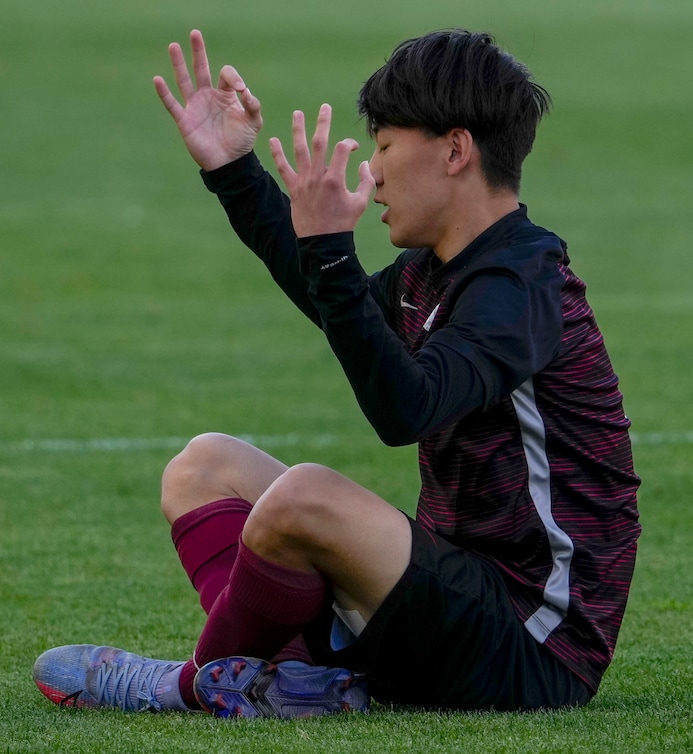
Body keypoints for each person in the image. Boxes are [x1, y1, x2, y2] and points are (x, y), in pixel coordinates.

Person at [33, 28, 641, 718]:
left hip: (532, 646)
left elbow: (406, 410)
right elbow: (334, 301)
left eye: (384, 145)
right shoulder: (436, 272)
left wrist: (331, 252)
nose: (374, 172)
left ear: (454, 149)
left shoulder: (521, 285)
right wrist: (234, 169)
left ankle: (188, 685)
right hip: (454, 598)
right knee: (203, 465)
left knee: (304, 496)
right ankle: (294, 678)